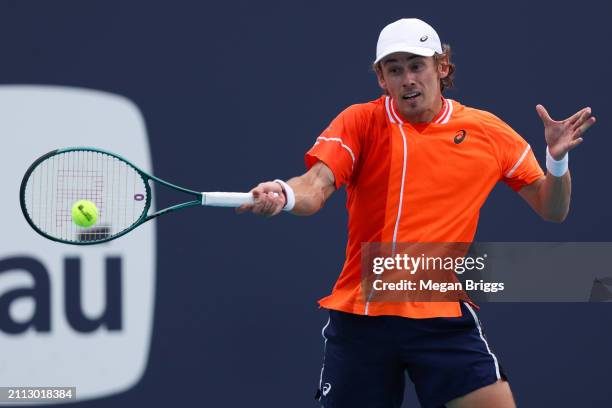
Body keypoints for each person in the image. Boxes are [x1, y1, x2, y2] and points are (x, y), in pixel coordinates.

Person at [237, 18, 596, 408]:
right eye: (395, 69)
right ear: (381, 78)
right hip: (364, 317)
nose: (407, 79)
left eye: (416, 65)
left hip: (440, 313)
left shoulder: (488, 132)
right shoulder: (361, 122)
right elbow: (317, 184)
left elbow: (553, 208)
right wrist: (286, 193)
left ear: (441, 67)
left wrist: (556, 163)